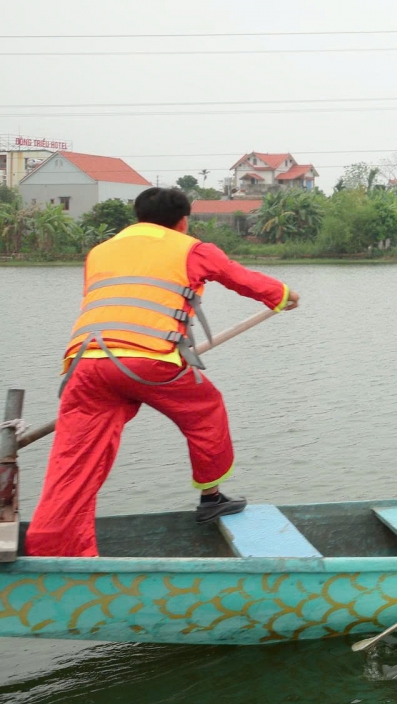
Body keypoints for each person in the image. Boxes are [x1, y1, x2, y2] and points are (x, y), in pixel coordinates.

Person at [24, 187, 301, 557]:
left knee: (74, 461)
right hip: (147, 361)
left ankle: (52, 549)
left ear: (137, 217)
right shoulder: (192, 249)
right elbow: (239, 277)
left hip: (84, 364)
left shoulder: (100, 251)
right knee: (206, 409)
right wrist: (283, 295)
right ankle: (212, 498)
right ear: (183, 220)